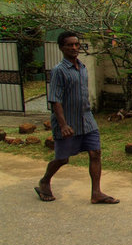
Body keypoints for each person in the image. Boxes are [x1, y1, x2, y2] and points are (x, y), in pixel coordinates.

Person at [34, 31, 119, 204]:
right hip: (67, 122)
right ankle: (44, 181)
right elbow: (55, 100)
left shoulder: (83, 68)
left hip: (87, 120)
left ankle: (96, 193)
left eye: (76, 44)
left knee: (95, 153)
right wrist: (63, 125)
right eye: (69, 45)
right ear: (61, 47)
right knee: (62, 158)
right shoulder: (59, 71)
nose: (74, 48)